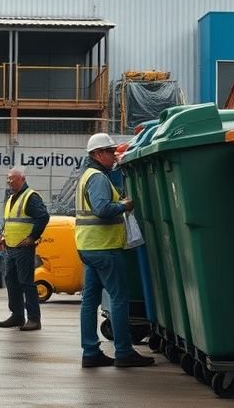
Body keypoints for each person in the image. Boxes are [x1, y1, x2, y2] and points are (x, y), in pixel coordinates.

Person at [75, 133, 155, 368]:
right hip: (104, 248)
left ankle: (90, 352)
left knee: (89, 302)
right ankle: (123, 351)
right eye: (109, 152)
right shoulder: (98, 178)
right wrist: (124, 205)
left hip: (88, 247)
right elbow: (101, 209)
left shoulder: (86, 176)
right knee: (119, 298)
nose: (113, 155)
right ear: (98, 154)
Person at [0, 168, 50, 331]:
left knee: (26, 282)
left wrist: (33, 237)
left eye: (12, 178)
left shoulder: (30, 197)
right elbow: (9, 221)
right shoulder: (12, 197)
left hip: (24, 248)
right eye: (8, 178)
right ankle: (17, 316)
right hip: (10, 247)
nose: (9, 181)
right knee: (11, 281)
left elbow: (43, 217)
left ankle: (34, 319)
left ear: (22, 179)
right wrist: (3, 235)